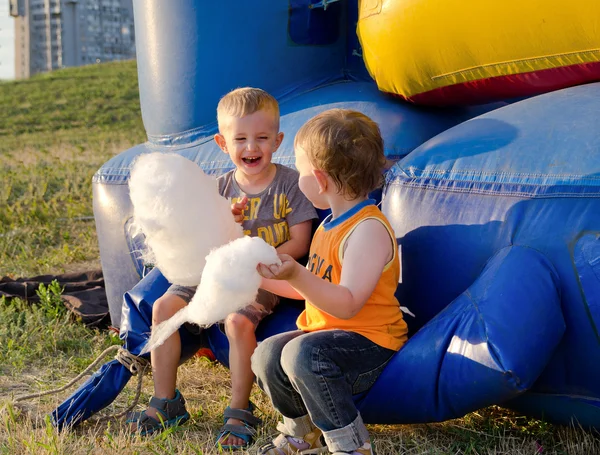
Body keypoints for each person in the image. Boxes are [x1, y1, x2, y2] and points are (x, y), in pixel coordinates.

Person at [128, 88, 317, 450]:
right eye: (240, 139)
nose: (252, 147)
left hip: (264, 276)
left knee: (237, 321)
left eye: (262, 138)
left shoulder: (290, 184)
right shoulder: (219, 189)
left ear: (277, 140)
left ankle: (239, 408)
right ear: (221, 142)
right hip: (214, 270)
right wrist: (224, 223)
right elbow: (205, 242)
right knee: (163, 307)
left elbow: (300, 242)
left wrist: (258, 261)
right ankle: (166, 400)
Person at [252, 109, 408, 455]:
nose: (296, 177)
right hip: (326, 338)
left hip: (370, 344)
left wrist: (297, 272)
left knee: (301, 352)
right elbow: (310, 290)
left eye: (300, 169)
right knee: (266, 353)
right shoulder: (329, 225)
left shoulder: (366, 231)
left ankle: (351, 446)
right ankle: (302, 435)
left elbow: (348, 303)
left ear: (319, 180)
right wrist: (263, 278)